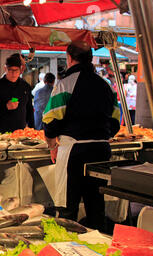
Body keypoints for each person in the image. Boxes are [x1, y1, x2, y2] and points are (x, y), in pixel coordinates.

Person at [42, 41, 120, 232]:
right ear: (90, 58)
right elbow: (116, 121)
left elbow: (50, 120)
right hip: (102, 150)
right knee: (96, 203)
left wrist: (53, 146)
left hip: (75, 151)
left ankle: (68, 248)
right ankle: (98, 248)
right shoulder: (106, 86)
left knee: (68, 206)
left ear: (69, 58)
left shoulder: (65, 84)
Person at [0, 53, 34, 133]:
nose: (13, 73)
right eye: (10, 70)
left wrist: (32, 129)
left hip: (21, 133)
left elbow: (29, 110)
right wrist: (5, 107)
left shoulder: (25, 86)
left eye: (16, 70)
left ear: (20, 69)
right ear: (5, 68)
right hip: (2, 132)